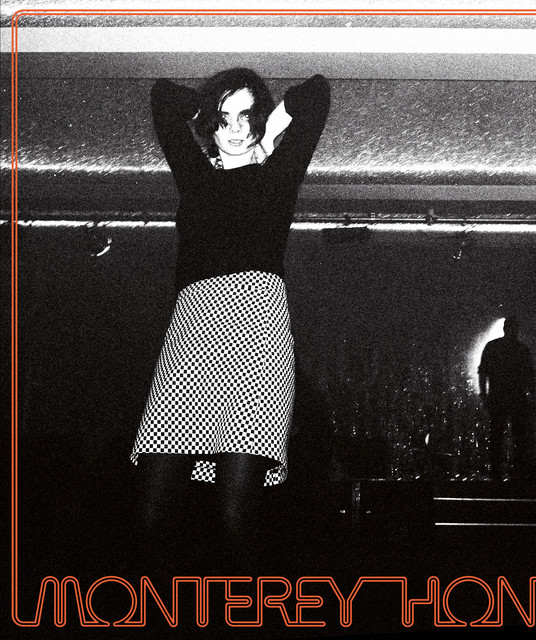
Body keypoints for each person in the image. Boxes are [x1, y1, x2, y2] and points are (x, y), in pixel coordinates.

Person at [129, 68, 330, 569]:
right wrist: (209, 112)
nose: (236, 128)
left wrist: (271, 124)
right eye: (224, 119)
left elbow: (316, 94)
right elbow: (163, 95)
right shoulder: (195, 173)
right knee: (152, 512)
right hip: (191, 336)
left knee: (235, 517)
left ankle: (246, 605)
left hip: (258, 337)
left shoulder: (278, 174)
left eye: (245, 116)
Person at [478, 316, 536, 481]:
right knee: (518, 436)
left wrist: (484, 395)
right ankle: (517, 471)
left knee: (497, 435)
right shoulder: (522, 349)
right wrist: (533, 396)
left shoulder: (493, 347)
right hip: (516, 397)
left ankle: (496, 471)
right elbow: (530, 376)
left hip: (498, 397)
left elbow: (483, 372)